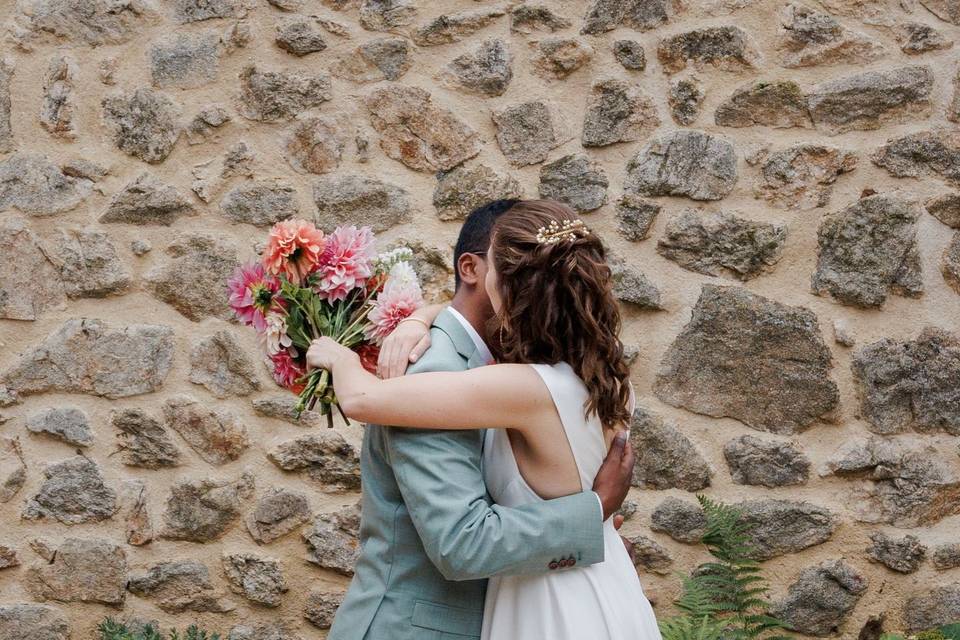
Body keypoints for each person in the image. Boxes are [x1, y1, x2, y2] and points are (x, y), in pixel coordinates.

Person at [312, 199, 661, 640]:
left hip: (548, 613)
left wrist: (337, 357)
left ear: (509, 283)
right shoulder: (608, 378)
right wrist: (422, 317)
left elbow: (361, 399)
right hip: (604, 598)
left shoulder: (515, 385)